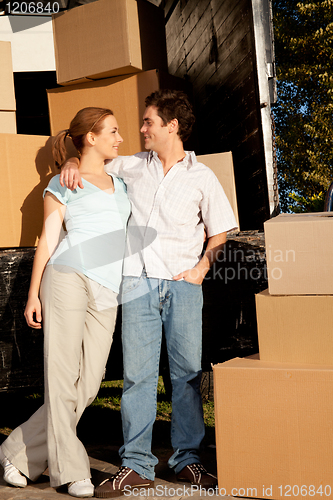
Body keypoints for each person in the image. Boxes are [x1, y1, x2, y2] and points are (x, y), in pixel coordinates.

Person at [60, 90, 238, 498]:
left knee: (186, 378)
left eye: (148, 122)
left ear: (171, 127)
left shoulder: (201, 175)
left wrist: (200, 269)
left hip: (182, 284)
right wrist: (72, 160)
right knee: (138, 378)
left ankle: (187, 461)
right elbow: (90, 159)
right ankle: (136, 464)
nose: (140, 130)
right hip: (137, 283)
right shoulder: (131, 165)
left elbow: (220, 230)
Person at [0, 107, 131, 498]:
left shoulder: (121, 180)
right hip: (66, 277)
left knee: (88, 383)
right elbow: (49, 239)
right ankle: (72, 471)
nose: (119, 138)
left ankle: (16, 453)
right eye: (112, 131)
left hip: (108, 287)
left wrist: (74, 158)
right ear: (90, 136)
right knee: (60, 379)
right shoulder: (61, 183)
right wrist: (32, 294)